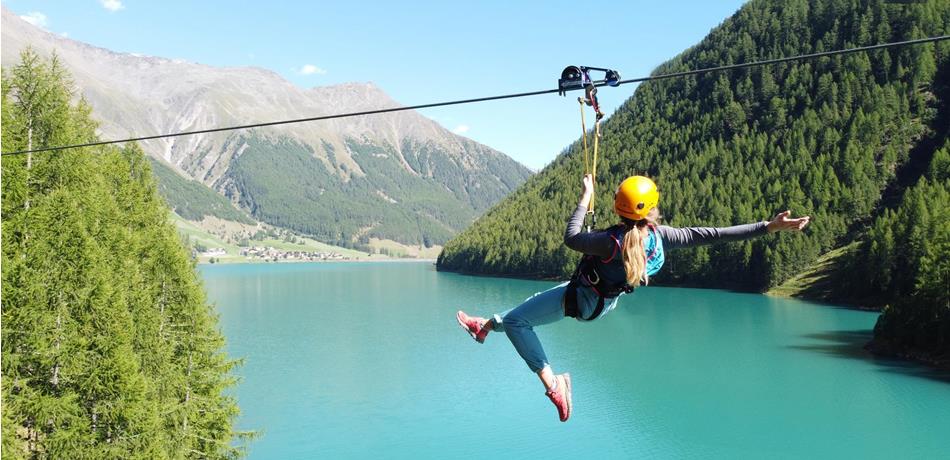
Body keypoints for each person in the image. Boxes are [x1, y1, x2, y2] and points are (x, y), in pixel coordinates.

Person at [456, 174, 810, 422]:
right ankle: (484, 326)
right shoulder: (662, 237)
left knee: (521, 321)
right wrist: (769, 226)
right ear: (650, 210)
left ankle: (555, 385)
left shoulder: (609, 242)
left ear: (620, 208)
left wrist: (584, 197)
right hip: (598, 302)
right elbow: (715, 234)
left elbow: (572, 236)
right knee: (529, 307)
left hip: (581, 299)